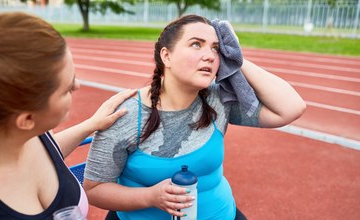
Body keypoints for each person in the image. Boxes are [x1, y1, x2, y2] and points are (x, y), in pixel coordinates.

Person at [83, 14, 306, 220]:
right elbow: (94, 190)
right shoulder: (126, 114)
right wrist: (151, 197)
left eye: (216, 49)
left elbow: (291, 108)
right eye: (196, 44)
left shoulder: (218, 100)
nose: (210, 55)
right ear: (166, 56)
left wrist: (237, 58)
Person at [0, 12, 136, 220]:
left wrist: (91, 124)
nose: (77, 85)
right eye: (67, 89)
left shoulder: (35, 135)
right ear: (26, 120)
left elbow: (48, 150)